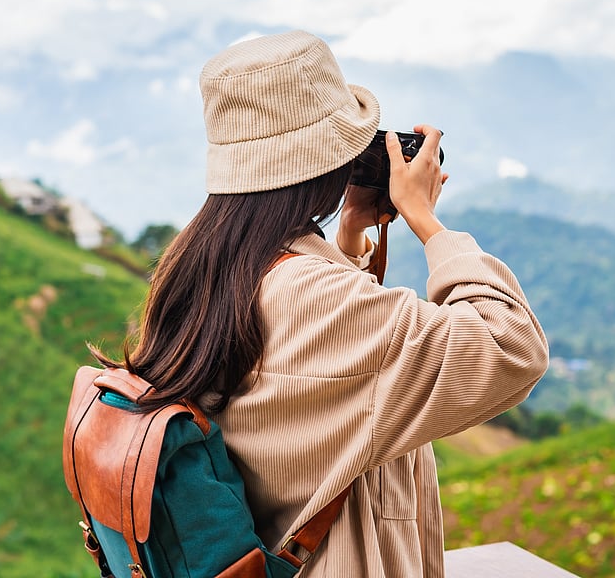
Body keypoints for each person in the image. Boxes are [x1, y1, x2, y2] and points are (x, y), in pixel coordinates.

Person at [98, 30, 548, 577]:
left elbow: (328, 367)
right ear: (332, 162)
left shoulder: (196, 265)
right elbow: (511, 345)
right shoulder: (316, 298)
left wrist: (354, 230)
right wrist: (427, 221)